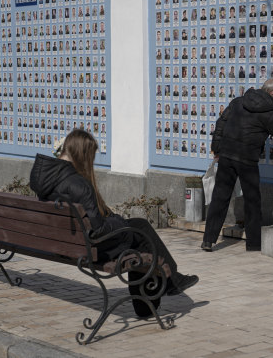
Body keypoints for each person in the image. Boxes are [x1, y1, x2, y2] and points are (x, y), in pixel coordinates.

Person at [29, 130, 198, 317]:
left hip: (64, 243)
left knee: (138, 229)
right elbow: (99, 230)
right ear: (83, 154)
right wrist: (119, 222)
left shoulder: (44, 178)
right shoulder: (78, 184)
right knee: (139, 233)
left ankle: (165, 287)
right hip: (90, 248)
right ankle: (165, 286)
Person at [202, 79, 273, 252]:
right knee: (252, 202)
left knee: (219, 198)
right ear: (272, 93)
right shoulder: (270, 112)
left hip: (227, 156)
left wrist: (216, 148)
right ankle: (253, 244)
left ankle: (208, 240)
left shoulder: (238, 102)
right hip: (247, 160)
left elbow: (221, 123)